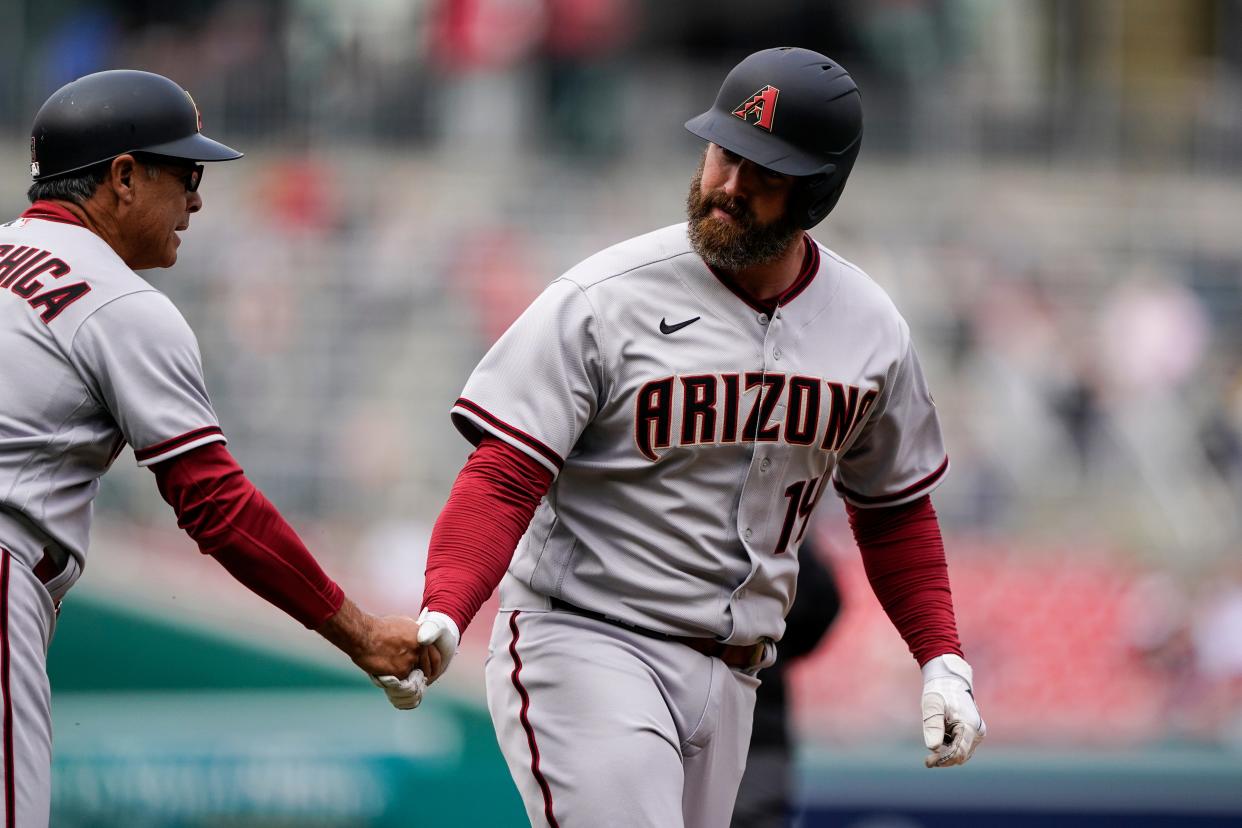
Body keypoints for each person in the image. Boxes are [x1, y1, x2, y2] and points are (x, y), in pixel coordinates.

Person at [378, 47, 985, 826]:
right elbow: (504, 474)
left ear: (818, 191)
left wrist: (941, 658)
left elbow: (894, 509)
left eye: (762, 170)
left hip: (737, 676)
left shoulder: (871, 331)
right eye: (723, 153)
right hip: (588, 639)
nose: (728, 186)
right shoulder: (605, 299)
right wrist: (448, 606)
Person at [0, 70, 436, 826]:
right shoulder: (120, 301)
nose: (198, 200)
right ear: (124, 177)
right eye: (187, 173)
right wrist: (361, 633)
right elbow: (218, 507)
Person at [731, 538, 841, 828]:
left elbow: (825, 601)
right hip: (758, 724)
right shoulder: (772, 535)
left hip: (755, 730)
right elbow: (824, 603)